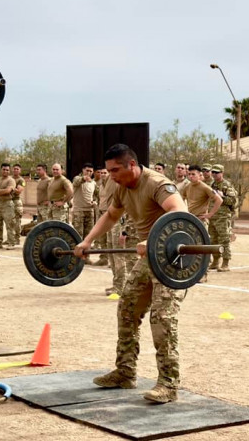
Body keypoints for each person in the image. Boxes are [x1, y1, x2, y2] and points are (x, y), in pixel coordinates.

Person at [76, 144, 188, 403]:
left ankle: (168, 384)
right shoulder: (120, 187)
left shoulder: (156, 183)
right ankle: (126, 372)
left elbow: (179, 212)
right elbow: (111, 216)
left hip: (172, 259)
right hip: (149, 257)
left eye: (116, 170)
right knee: (127, 308)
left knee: (162, 318)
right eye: (108, 171)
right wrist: (88, 240)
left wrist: (152, 241)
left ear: (133, 166)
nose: (111, 175)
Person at [183, 166, 222, 283]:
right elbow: (181, 198)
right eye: (189, 174)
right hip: (190, 220)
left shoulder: (205, 187)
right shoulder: (187, 187)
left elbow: (219, 200)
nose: (190, 176)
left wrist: (209, 214)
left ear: (200, 175)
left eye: (193, 174)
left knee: (203, 247)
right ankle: (192, 272)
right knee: (190, 246)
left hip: (201, 220)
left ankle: (204, 274)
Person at [208, 164, 238, 271]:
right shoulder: (212, 185)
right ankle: (216, 261)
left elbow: (232, 201)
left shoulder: (227, 185)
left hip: (223, 217)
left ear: (222, 173)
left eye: (217, 172)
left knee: (224, 239)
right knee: (213, 240)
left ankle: (225, 263)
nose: (215, 174)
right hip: (213, 216)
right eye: (213, 172)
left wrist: (222, 196)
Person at [72, 163, 98, 241]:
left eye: (90, 171)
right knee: (78, 234)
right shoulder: (77, 179)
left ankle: (86, 252)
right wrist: (84, 179)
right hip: (79, 211)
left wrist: (95, 201)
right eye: (87, 170)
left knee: (89, 235)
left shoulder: (93, 183)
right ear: (83, 170)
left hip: (89, 211)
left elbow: (97, 195)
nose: (88, 173)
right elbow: (76, 182)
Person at [0, 163, 17, 248]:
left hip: (7, 204)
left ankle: (11, 242)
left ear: (9, 171)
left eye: (7, 170)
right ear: (1, 170)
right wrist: (0, 191)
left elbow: (8, 191)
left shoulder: (11, 180)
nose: (5, 171)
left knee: (10, 224)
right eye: (4, 169)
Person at [8, 164, 26, 246]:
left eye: (17, 169)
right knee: (9, 221)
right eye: (14, 169)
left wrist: (9, 189)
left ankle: (17, 238)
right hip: (8, 201)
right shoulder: (10, 178)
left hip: (16, 201)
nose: (15, 170)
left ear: (20, 170)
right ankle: (10, 238)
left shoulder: (21, 180)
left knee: (17, 221)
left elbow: (19, 191)